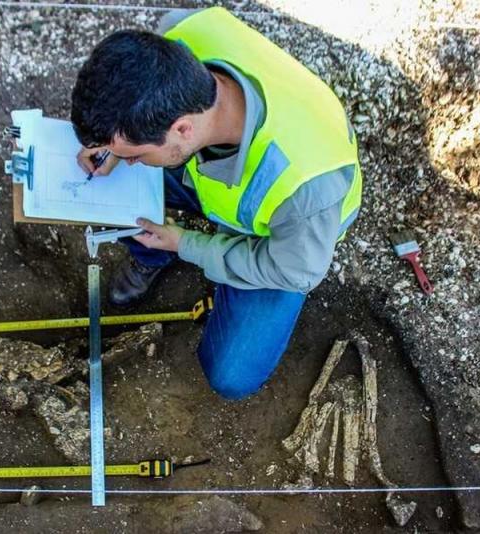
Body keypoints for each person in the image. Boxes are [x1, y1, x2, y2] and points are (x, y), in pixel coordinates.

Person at [70, 7, 362, 400]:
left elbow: (295, 271)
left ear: (182, 129)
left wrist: (186, 244)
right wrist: (115, 152)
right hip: (218, 179)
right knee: (119, 182)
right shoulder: (183, 34)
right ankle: (151, 254)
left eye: (135, 153)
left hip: (280, 234)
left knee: (231, 374)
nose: (130, 160)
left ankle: (204, 271)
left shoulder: (305, 186)